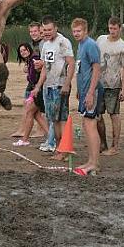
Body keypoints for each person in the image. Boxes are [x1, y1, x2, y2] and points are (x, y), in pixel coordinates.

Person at [31, 16, 75, 161]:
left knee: (61, 118)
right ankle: (59, 148)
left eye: (50, 29)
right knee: (52, 119)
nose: (47, 32)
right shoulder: (45, 44)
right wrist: (38, 86)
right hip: (48, 86)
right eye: (45, 30)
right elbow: (45, 68)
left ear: (55, 28)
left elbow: (71, 64)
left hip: (60, 85)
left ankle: (64, 150)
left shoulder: (63, 42)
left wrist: (67, 83)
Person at [70, 18, 102, 176]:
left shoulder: (90, 44)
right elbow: (81, 69)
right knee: (86, 125)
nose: (76, 34)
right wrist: (79, 90)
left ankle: (94, 164)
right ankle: (91, 160)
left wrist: (90, 92)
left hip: (93, 91)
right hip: (84, 90)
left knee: (91, 126)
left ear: (86, 31)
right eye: (74, 31)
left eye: (79, 31)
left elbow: (97, 69)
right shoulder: (81, 45)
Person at [96, 17, 124, 156]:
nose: (112, 31)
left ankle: (115, 146)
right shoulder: (100, 40)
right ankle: (102, 142)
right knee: (97, 115)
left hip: (114, 85)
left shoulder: (123, 46)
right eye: (110, 28)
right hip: (99, 84)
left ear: (120, 28)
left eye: (115, 29)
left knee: (114, 114)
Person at [11, 22, 47, 139]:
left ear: (40, 31)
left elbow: (45, 63)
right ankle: (24, 130)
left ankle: (40, 131)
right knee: (29, 105)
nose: (33, 33)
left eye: (35, 31)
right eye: (31, 32)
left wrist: (39, 66)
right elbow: (30, 59)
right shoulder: (32, 44)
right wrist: (27, 66)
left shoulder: (44, 44)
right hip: (32, 81)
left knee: (36, 108)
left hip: (41, 80)